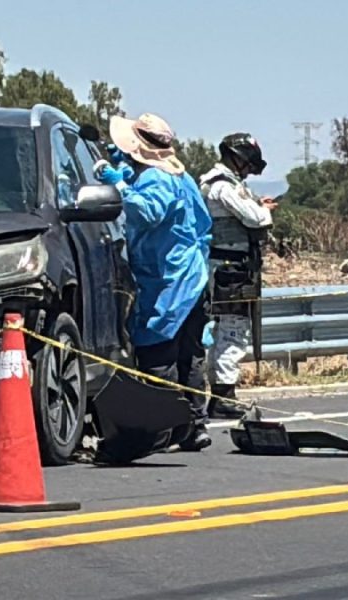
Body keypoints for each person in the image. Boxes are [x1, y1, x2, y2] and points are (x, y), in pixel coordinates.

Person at [95, 113, 213, 451]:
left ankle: (163, 428)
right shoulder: (179, 175)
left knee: (156, 350)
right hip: (191, 275)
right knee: (189, 355)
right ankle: (193, 425)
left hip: (166, 280)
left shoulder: (156, 179)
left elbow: (146, 213)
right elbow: (202, 224)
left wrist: (118, 184)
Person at [199, 134, 277, 418]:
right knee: (233, 331)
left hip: (225, 269)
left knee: (224, 330)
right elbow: (255, 219)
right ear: (239, 158)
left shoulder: (220, 184)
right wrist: (263, 210)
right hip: (230, 271)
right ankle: (223, 396)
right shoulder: (222, 186)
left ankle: (220, 393)